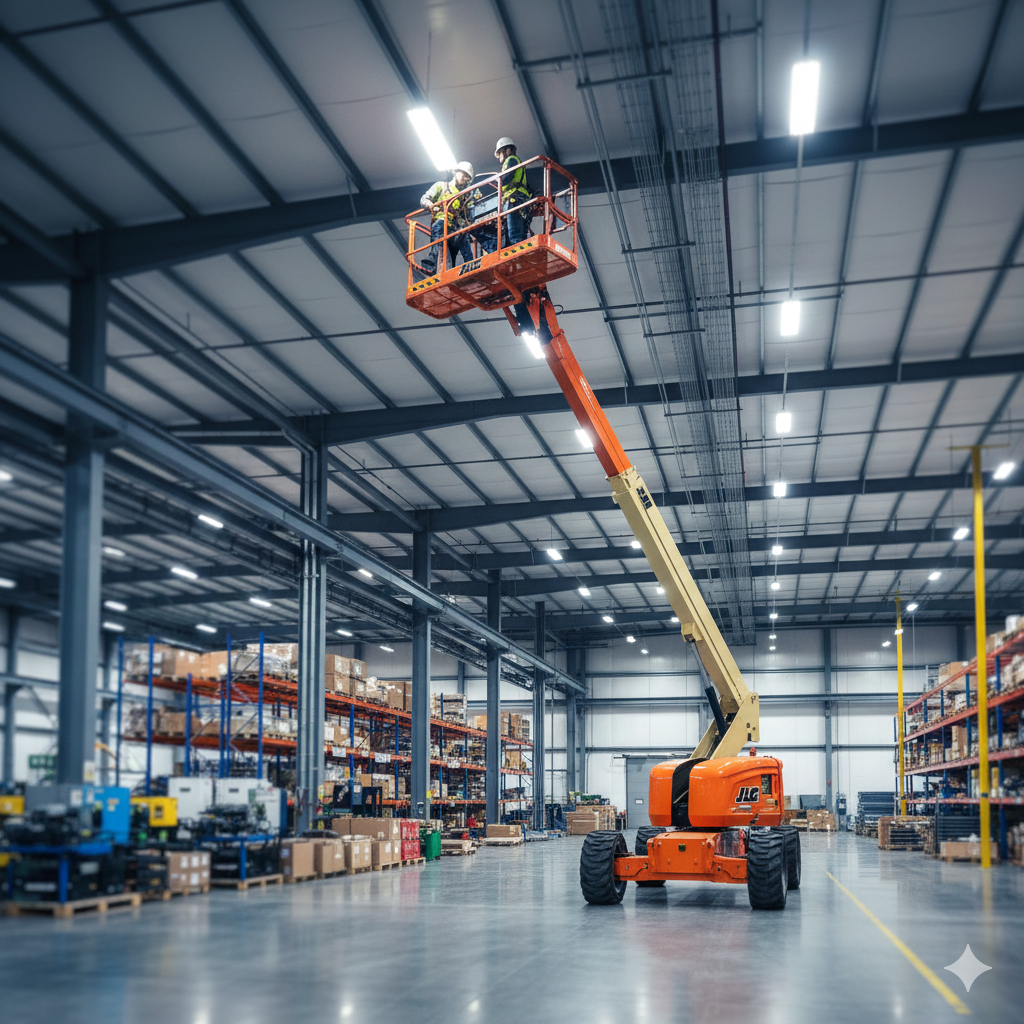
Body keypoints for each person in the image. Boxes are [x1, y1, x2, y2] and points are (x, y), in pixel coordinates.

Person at [419, 161, 478, 275]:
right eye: (464, 175)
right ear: (456, 172)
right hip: (443, 223)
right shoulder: (441, 186)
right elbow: (424, 199)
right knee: (439, 226)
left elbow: (468, 215)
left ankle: (471, 267)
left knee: (463, 241)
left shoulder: (464, 195)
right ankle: (432, 259)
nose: (465, 179)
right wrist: (431, 205)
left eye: (467, 177)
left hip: (456, 227)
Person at [494, 137, 533, 245]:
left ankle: (518, 258)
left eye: (500, 152)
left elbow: (507, 178)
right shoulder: (518, 163)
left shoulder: (511, 160)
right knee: (520, 237)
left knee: (514, 237)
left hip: (515, 199)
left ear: (508, 150)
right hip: (522, 200)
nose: (500, 156)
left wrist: (497, 179)